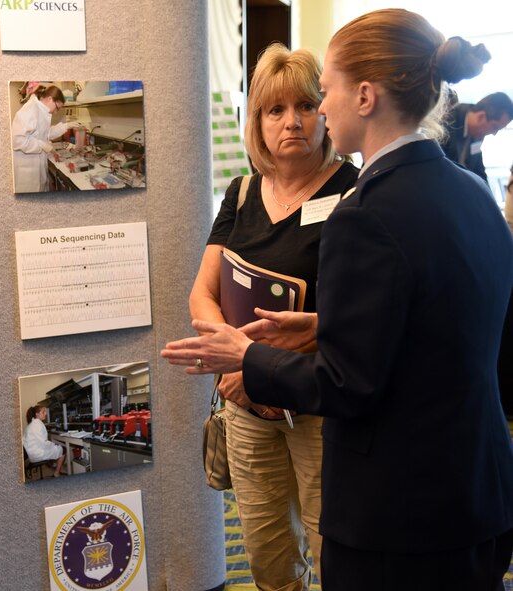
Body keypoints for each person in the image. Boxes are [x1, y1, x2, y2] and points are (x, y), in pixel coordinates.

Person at [163, 9, 513, 590]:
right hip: (477, 491)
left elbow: (348, 383)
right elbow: (444, 334)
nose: (318, 110)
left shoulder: (363, 213)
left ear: (367, 95)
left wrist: (246, 358)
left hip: (397, 514)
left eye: (323, 93)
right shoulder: (472, 191)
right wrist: (327, 328)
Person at [189, 43, 357, 590]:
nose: (292, 123)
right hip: (245, 402)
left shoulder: (356, 191)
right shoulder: (240, 194)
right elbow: (202, 295)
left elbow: (361, 312)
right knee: (264, 551)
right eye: (274, 110)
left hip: (318, 406)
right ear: (256, 121)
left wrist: (256, 361)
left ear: (325, 112)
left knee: (332, 544)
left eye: (306, 106)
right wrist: (233, 367)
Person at [11, 85, 77, 193]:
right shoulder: (31, 109)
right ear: (50, 99)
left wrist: (66, 126)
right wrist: (41, 145)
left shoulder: (41, 110)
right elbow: (17, 140)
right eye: (57, 107)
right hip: (28, 169)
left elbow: (46, 133)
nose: (56, 112)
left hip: (37, 165)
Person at [440, 91, 513, 182]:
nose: (494, 134)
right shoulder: (446, 124)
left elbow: (479, 172)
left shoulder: (477, 134)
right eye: (495, 127)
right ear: (481, 116)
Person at [22, 405, 65, 477]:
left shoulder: (31, 424)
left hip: (32, 453)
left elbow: (41, 441)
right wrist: (54, 445)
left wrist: (53, 445)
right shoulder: (37, 425)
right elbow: (44, 443)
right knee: (63, 449)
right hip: (37, 454)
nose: (46, 413)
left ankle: (57, 467)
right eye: (43, 412)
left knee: (56, 447)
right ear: (37, 414)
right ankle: (56, 473)